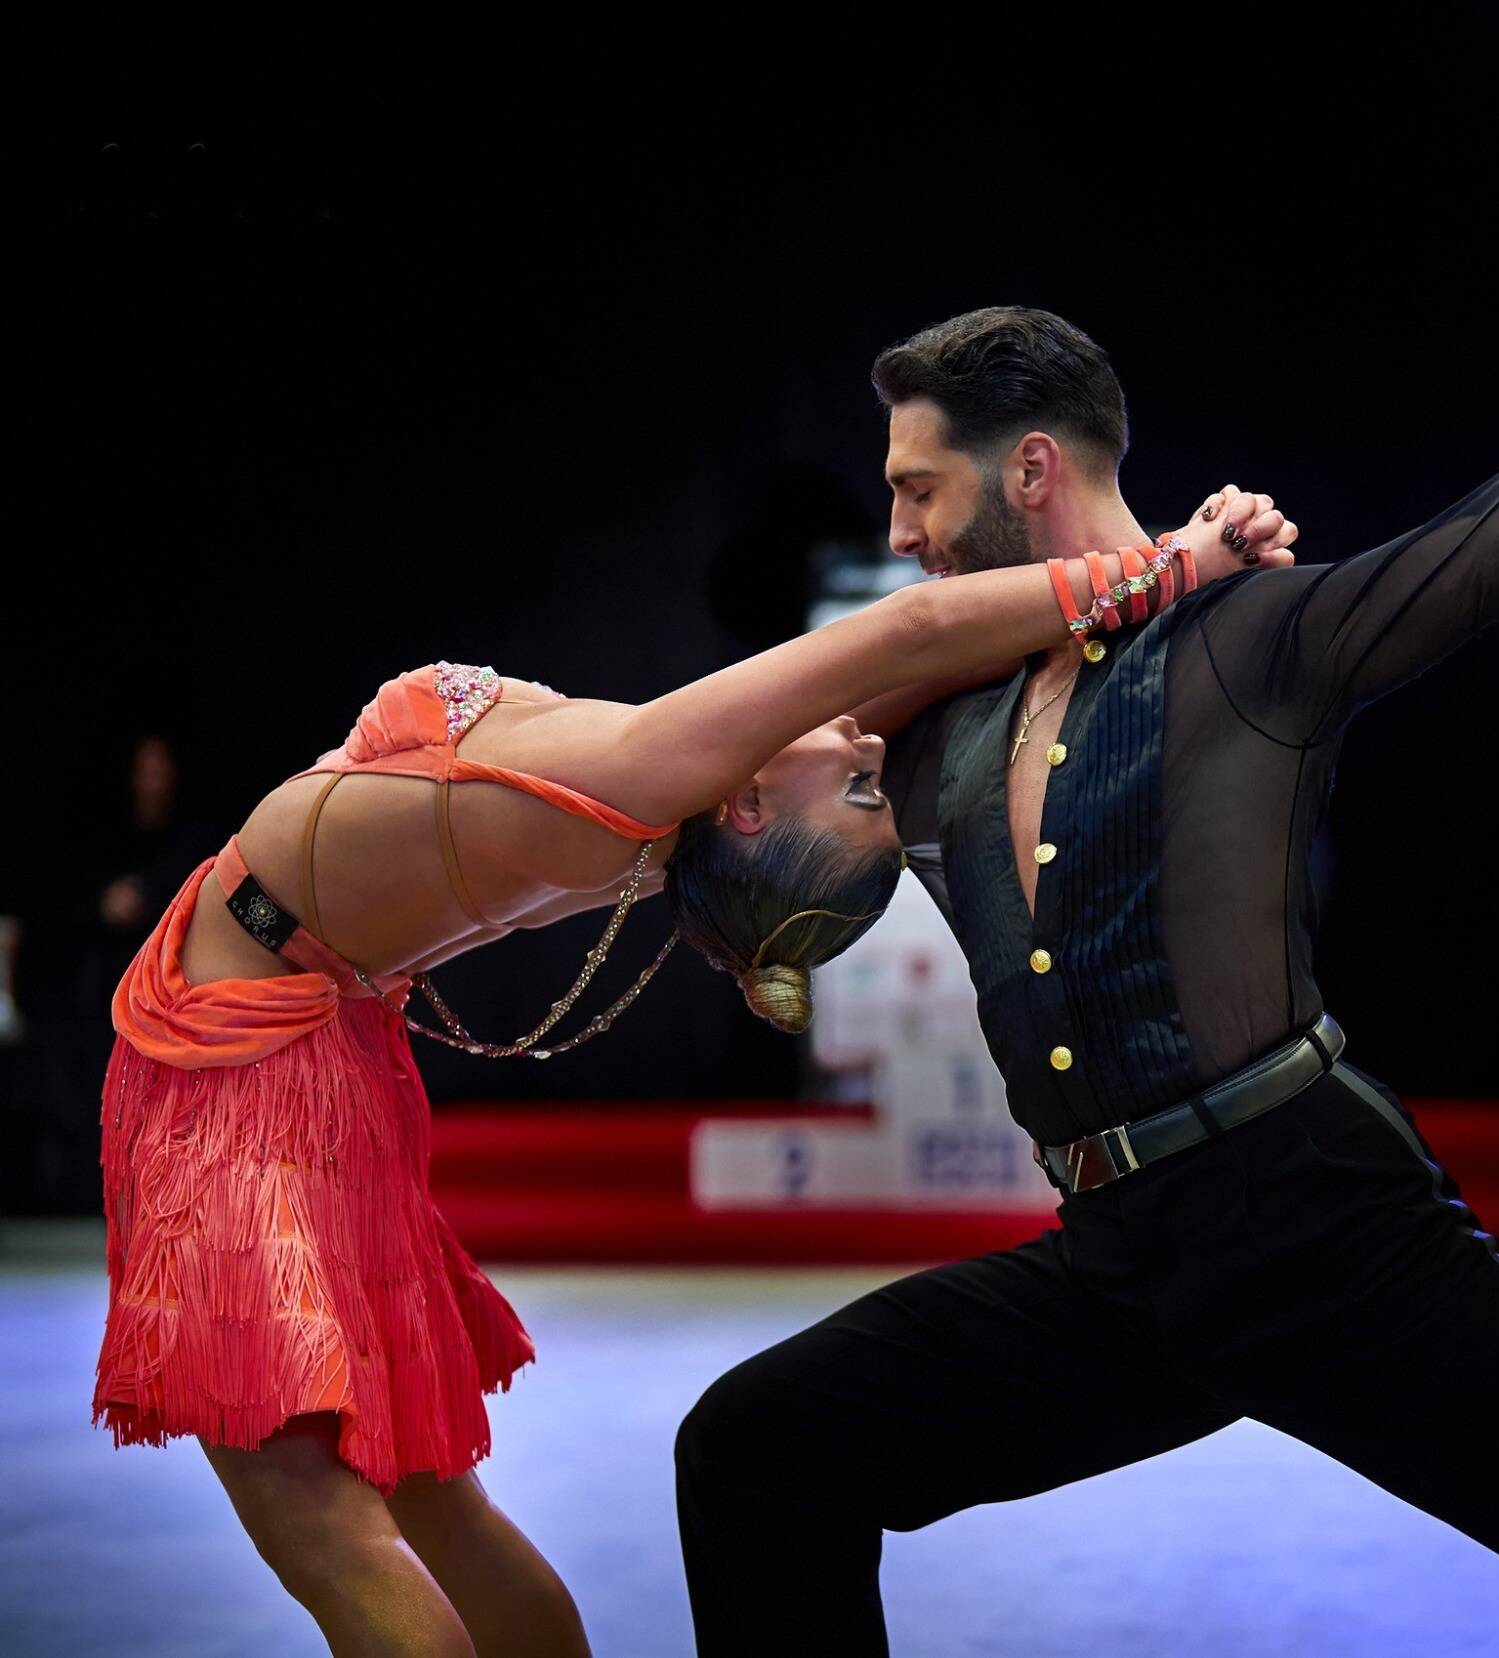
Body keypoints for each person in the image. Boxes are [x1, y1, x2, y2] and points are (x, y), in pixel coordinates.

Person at [675, 95, 1499, 1654]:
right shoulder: (939, 719)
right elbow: (743, 759)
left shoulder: (1257, 640)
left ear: (1028, 470)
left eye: (918, 491)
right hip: (1122, 1269)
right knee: (756, 1451)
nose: (897, 529)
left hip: (1326, 1230)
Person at [92, 502, 1287, 1658]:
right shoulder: (677, 816)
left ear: (750, 804)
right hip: (315, 1058)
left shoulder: (645, 774)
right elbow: (892, 685)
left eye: (861, 788)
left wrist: (1169, 564)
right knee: (427, 1501)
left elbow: (906, 635)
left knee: (333, 1530)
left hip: (229, 1059)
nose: (866, 743)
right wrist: (1128, 592)